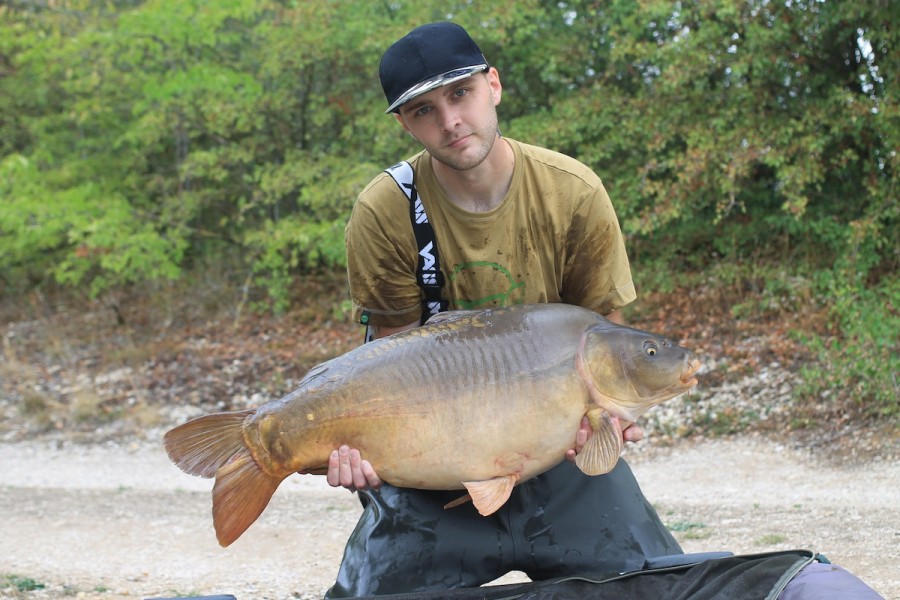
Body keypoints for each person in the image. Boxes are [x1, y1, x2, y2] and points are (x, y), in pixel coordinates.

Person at [323, 21, 885, 600]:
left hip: (559, 457)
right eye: (424, 110)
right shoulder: (385, 210)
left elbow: (603, 334)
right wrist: (361, 454)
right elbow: (390, 356)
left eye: (460, 93)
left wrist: (609, 416)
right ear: (403, 123)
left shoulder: (572, 193)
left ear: (493, 84)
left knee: (657, 588)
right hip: (437, 464)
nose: (450, 121)